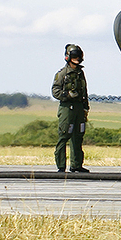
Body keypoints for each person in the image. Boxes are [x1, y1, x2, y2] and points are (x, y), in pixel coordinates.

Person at [52, 44, 90, 173]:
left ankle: (76, 165)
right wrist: (67, 95)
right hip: (67, 108)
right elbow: (55, 91)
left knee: (78, 136)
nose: (77, 59)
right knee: (64, 135)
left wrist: (85, 107)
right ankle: (61, 166)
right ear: (68, 57)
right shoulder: (62, 73)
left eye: (78, 56)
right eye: (74, 56)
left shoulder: (80, 73)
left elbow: (84, 90)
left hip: (79, 108)